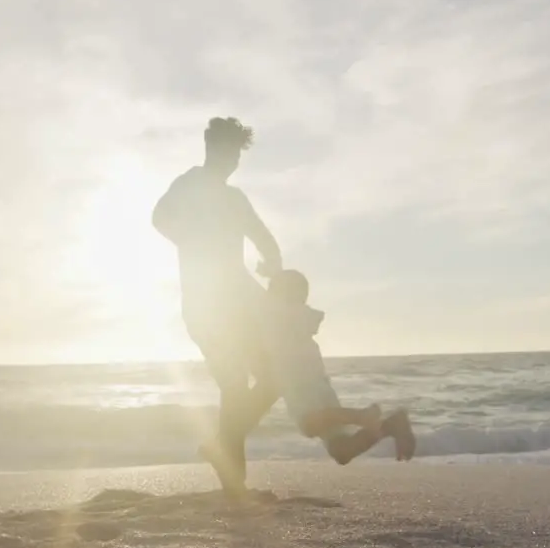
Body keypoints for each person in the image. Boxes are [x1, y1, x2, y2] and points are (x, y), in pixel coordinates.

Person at [152, 117, 282, 495]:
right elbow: (159, 218)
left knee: (273, 377)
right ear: (212, 149)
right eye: (229, 153)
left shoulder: (235, 198)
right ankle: (233, 479)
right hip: (205, 305)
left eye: (237, 155)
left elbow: (264, 238)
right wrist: (192, 241)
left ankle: (222, 446)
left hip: (242, 303)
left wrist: (272, 265)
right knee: (234, 384)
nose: (234, 162)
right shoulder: (189, 184)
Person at [260, 269, 417, 464]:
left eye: (272, 289)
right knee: (341, 451)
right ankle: (391, 425)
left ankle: (360, 416)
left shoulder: (280, 315)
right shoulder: (298, 318)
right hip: (319, 384)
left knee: (309, 424)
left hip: (299, 383)